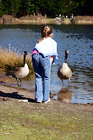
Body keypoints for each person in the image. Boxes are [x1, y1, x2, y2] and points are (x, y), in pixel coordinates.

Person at [32, 25, 58, 103]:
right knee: (46, 77)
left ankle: (38, 98)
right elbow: (52, 57)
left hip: (35, 55)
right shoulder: (53, 42)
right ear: (51, 34)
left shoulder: (40, 41)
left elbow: (36, 50)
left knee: (38, 76)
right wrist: (49, 67)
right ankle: (45, 99)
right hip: (44, 56)